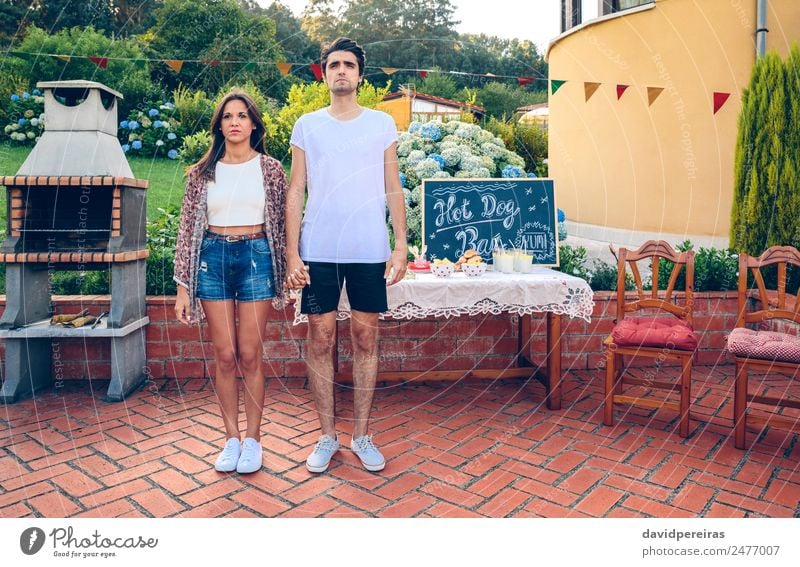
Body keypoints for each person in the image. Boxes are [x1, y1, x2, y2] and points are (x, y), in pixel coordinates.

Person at [285, 37, 407, 474]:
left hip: (368, 248)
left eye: (348, 65)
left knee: (365, 339)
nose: (341, 70)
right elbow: (296, 188)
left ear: (360, 75)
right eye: (333, 64)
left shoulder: (380, 124)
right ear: (324, 73)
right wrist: (291, 252)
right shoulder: (307, 125)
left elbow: (394, 186)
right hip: (318, 250)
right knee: (319, 338)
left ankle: (362, 435)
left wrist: (399, 244)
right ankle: (326, 436)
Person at [173, 90, 288, 474]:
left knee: (251, 354)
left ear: (253, 123)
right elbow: (187, 229)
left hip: (256, 257)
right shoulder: (201, 172)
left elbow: (282, 223)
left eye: (242, 116)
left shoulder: (270, 169)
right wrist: (182, 287)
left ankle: (253, 441)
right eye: (227, 116)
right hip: (213, 258)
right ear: (219, 125)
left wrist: (289, 268)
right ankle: (231, 439)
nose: (234, 122)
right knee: (224, 354)